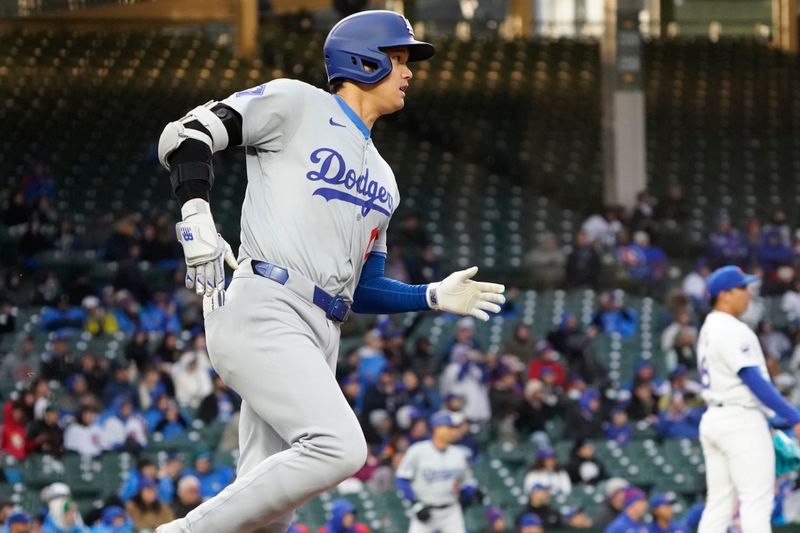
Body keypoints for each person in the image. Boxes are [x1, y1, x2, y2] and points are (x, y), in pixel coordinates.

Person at [154, 10, 504, 533]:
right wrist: (196, 213)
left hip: (321, 331)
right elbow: (185, 135)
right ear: (362, 60)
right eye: (400, 58)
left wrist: (429, 295)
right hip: (266, 304)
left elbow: (364, 289)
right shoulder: (298, 103)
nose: (409, 72)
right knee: (340, 447)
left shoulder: (384, 177)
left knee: (267, 518)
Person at [696, 265, 800, 533]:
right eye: (742, 288)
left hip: (716, 418)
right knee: (756, 503)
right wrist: (794, 416)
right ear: (724, 294)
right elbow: (753, 380)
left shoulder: (708, 328)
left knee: (718, 506)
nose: (748, 293)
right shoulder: (730, 328)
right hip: (739, 420)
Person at [395, 413, 480, 533]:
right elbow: (402, 479)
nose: (453, 431)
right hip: (426, 509)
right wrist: (415, 504)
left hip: (451, 511)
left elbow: (466, 482)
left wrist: (474, 491)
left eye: (454, 427)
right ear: (437, 428)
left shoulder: (458, 454)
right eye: (449, 427)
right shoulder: (418, 450)